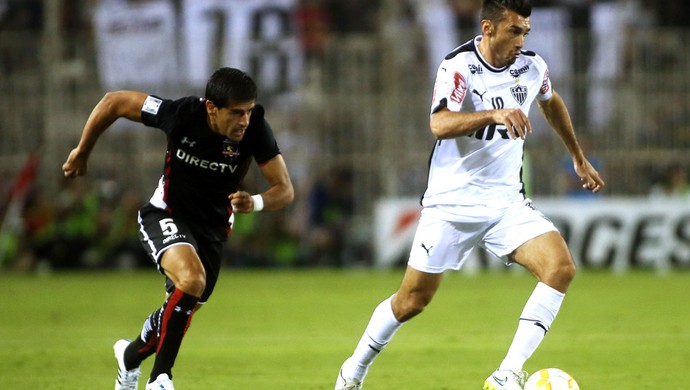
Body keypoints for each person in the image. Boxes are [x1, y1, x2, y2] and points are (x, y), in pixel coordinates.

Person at [333, 1, 604, 389]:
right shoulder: (457, 66)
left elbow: (551, 101)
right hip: (451, 205)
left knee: (560, 268)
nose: (521, 40)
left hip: (506, 203)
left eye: (526, 31)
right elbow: (439, 123)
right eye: (514, 31)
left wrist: (578, 158)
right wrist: (493, 114)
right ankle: (353, 371)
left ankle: (507, 374)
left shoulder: (532, 67)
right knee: (411, 301)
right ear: (488, 28)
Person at [62, 67, 294, 390]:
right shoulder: (181, 114)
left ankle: (129, 358)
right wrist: (82, 151)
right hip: (165, 215)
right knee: (192, 280)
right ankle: (160, 379)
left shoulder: (255, 130)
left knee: (178, 314)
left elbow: (284, 189)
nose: (244, 120)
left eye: (250, 111)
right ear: (212, 108)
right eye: (237, 113)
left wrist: (254, 202)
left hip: (212, 233)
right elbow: (114, 102)